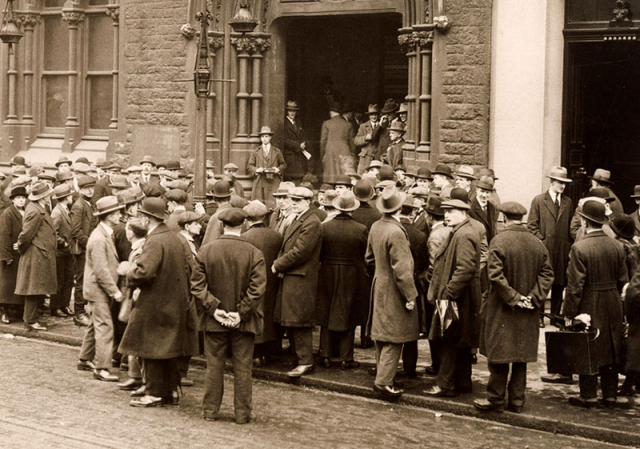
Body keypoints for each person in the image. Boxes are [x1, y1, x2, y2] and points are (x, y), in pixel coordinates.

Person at [474, 202, 554, 413]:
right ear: (522, 219)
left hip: (502, 308)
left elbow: (495, 276)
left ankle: (495, 399)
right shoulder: (537, 243)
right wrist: (532, 298)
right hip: (528, 310)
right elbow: (547, 274)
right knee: (520, 357)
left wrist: (514, 298)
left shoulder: (499, 241)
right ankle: (517, 401)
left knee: (499, 356)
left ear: (504, 218)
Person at [119, 198, 199, 407]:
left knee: (151, 348)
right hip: (174, 301)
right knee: (169, 350)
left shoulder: (154, 240)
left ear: (147, 219)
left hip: (156, 302)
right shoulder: (174, 237)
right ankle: (170, 391)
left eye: (141, 216)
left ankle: (154, 393)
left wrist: (129, 273)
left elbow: (145, 271)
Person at [191, 208, 266, 423]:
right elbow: (257, 289)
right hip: (244, 322)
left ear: (222, 225)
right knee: (243, 368)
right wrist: (240, 313)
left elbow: (197, 286)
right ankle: (242, 413)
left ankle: (210, 410)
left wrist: (214, 309)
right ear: (243, 225)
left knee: (214, 367)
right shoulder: (254, 253)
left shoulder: (206, 251)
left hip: (214, 320)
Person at [563, 200, 628, 408]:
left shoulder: (579, 248)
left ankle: (588, 394)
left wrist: (569, 313)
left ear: (584, 221)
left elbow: (575, 286)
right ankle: (610, 395)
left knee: (588, 344)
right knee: (612, 344)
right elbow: (623, 281)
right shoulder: (618, 246)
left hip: (590, 300)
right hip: (613, 301)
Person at [424, 197, 481, 397]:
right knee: (461, 339)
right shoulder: (461, 231)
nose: (446, 215)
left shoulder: (464, 234)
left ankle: (445, 384)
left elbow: (465, 268)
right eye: (445, 211)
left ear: (463, 213)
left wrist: (449, 293)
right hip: (462, 296)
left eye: (451, 211)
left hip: (457, 297)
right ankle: (463, 383)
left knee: (448, 339)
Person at [365, 185, 418, 399]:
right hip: (395, 289)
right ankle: (384, 383)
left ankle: (384, 376)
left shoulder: (376, 226)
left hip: (379, 285)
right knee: (394, 338)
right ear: (400, 208)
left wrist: (381, 273)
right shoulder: (396, 231)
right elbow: (403, 270)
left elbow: (369, 258)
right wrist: (410, 296)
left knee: (382, 335)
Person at [272, 187, 323, 378]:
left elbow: (301, 251)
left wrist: (278, 264)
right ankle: (300, 357)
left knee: (299, 320)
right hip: (294, 275)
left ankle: (305, 361)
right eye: (292, 199)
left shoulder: (311, 222)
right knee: (292, 319)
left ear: (308, 202)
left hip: (300, 277)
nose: (293, 203)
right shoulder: (299, 219)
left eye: (298, 200)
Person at [316, 191, 368, 370]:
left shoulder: (325, 227)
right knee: (349, 314)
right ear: (353, 209)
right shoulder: (360, 229)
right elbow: (364, 254)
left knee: (326, 313)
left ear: (337, 207)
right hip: (351, 274)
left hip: (327, 273)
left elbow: (319, 253)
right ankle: (346, 358)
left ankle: (325, 355)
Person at [77, 196, 124, 382]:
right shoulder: (99, 238)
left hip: (96, 290)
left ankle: (84, 359)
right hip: (99, 290)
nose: (120, 215)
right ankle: (102, 368)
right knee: (105, 327)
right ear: (109, 216)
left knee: (94, 325)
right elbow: (101, 270)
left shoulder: (103, 234)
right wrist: (115, 291)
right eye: (117, 213)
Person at [528, 166, 573, 339]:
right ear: (552, 182)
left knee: (559, 284)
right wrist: (542, 241)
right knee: (542, 282)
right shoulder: (539, 200)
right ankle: (539, 316)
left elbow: (570, 226)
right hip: (544, 249)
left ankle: (554, 316)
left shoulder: (568, 202)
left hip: (562, 249)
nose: (562, 186)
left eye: (564, 183)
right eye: (559, 182)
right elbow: (531, 225)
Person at [241, 201, 284, 366]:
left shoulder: (244, 238)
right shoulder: (277, 236)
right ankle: (271, 351)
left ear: (247, 220)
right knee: (270, 314)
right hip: (272, 282)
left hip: (252, 283)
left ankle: (256, 353)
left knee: (254, 314)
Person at [15, 181, 58, 332]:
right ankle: (30, 321)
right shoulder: (35, 211)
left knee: (36, 288)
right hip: (35, 254)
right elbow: (26, 235)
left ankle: (32, 319)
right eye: (48, 195)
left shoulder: (37, 208)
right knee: (32, 289)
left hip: (39, 254)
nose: (49, 197)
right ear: (43, 197)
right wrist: (22, 248)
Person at [398, 194, 429, 379]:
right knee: (411, 329)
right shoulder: (420, 235)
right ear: (413, 212)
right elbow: (425, 263)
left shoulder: (390, 230)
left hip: (394, 283)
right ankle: (409, 369)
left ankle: (385, 367)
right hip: (414, 283)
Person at [70, 175, 98, 327]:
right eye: (87, 188)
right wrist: (90, 244)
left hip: (89, 248)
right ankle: (79, 313)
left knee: (88, 279)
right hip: (82, 250)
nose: (90, 190)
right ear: (80, 190)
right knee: (81, 281)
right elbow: (75, 231)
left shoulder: (90, 204)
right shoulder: (79, 206)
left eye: (92, 187)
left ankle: (84, 310)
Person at [0, 186, 27, 324]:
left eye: (23, 198)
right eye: (18, 198)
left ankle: (16, 309)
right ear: (13, 200)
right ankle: (4, 311)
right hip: (10, 254)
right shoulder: (8, 213)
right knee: (7, 285)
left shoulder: (25, 212)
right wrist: (6, 256)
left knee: (18, 283)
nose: (21, 200)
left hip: (21, 253)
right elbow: (4, 236)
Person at [50, 184, 75, 318]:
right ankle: (55, 307)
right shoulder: (57, 213)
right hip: (59, 253)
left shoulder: (65, 209)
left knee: (68, 279)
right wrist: (63, 242)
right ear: (66, 197)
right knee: (59, 281)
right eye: (70, 195)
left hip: (67, 252)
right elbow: (52, 233)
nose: (71, 197)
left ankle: (64, 305)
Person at [247, 126, 286, 209]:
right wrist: (257, 170)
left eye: (266, 136)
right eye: (262, 137)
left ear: (270, 137)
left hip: (274, 181)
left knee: (273, 206)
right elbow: (250, 166)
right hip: (260, 181)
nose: (264, 139)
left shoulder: (277, 151)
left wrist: (278, 169)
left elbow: (283, 165)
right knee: (260, 206)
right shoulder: (256, 151)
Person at [320, 101, 356, 183]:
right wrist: (353, 156)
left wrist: (323, 156)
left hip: (330, 154)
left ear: (331, 112)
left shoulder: (326, 124)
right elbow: (352, 144)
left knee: (331, 179)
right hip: (345, 153)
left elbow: (323, 142)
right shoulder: (348, 124)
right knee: (345, 178)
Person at [283, 100, 308, 184]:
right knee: (291, 180)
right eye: (290, 111)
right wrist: (298, 146)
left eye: (294, 111)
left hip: (299, 155)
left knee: (299, 178)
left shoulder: (298, 122)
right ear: (287, 111)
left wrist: (303, 143)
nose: (292, 113)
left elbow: (302, 135)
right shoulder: (284, 123)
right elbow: (285, 140)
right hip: (290, 156)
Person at [354, 104, 383, 174]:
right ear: (369, 116)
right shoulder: (363, 126)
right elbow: (356, 141)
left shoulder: (382, 125)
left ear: (378, 115)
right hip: (365, 157)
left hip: (377, 156)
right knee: (363, 176)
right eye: (371, 115)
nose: (374, 117)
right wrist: (365, 138)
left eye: (375, 114)